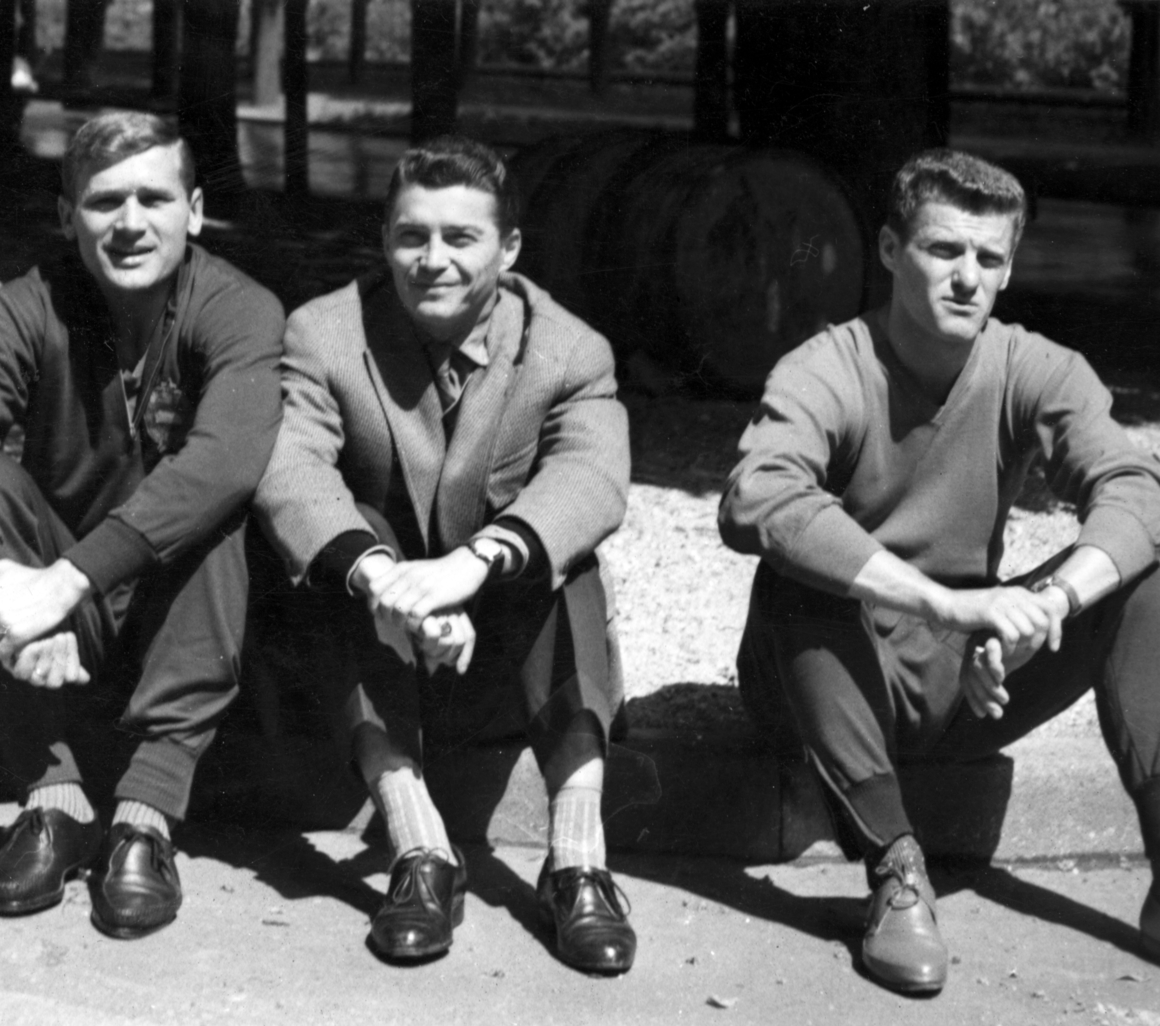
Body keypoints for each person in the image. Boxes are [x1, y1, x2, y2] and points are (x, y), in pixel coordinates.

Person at [719, 148, 1160, 995]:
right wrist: (947, 606)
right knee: (801, 568)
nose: (968, 278)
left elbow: (1134, 487)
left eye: (989, 259)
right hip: (821, 682)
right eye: (943, 251)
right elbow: (755, 499)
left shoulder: (1034, 366)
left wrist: (1047, 607)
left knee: (1144, 574)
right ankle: (893, 867)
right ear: (889, 250)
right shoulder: (829, 365)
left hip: (970, 680)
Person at [0, 112, 283, 936]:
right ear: (68, 216)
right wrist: (5, 587)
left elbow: (225, 461)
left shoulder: (240, 310)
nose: (131, 223)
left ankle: (145, 816)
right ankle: (54, 796)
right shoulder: (26, 306)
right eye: (105, 202)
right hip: (55, 631)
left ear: (196, 210)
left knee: (211, 506)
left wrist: (64, 583)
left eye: (154, 198)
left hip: (183, 614)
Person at [254, 137, 636, 974]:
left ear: (510, 249)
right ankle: (419, 849)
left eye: (461, 239)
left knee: (565, 556)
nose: (433, 261)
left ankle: (578, 856)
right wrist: (388, 582)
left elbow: (594, 476)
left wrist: (474, 566)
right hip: (374, 642)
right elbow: (289, 464)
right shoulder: (323, 332)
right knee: (337, 535)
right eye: (410, 236)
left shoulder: (571, 349)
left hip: (504, 650)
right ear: (384, 239)